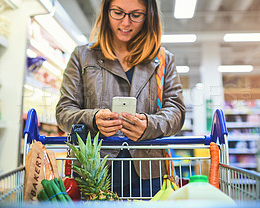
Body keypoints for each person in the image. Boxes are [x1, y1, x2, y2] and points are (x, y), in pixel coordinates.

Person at [56, 0, 185, 197]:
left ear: (149, 16)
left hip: (149, 172)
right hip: (93, 172)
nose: (125, 23)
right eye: (118, 13)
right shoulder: (82, 56)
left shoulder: (163, 59)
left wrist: (150, 124)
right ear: (106, 12)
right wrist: (92, 119)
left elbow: (176, 111)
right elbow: (64, 112)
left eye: (136, 15)